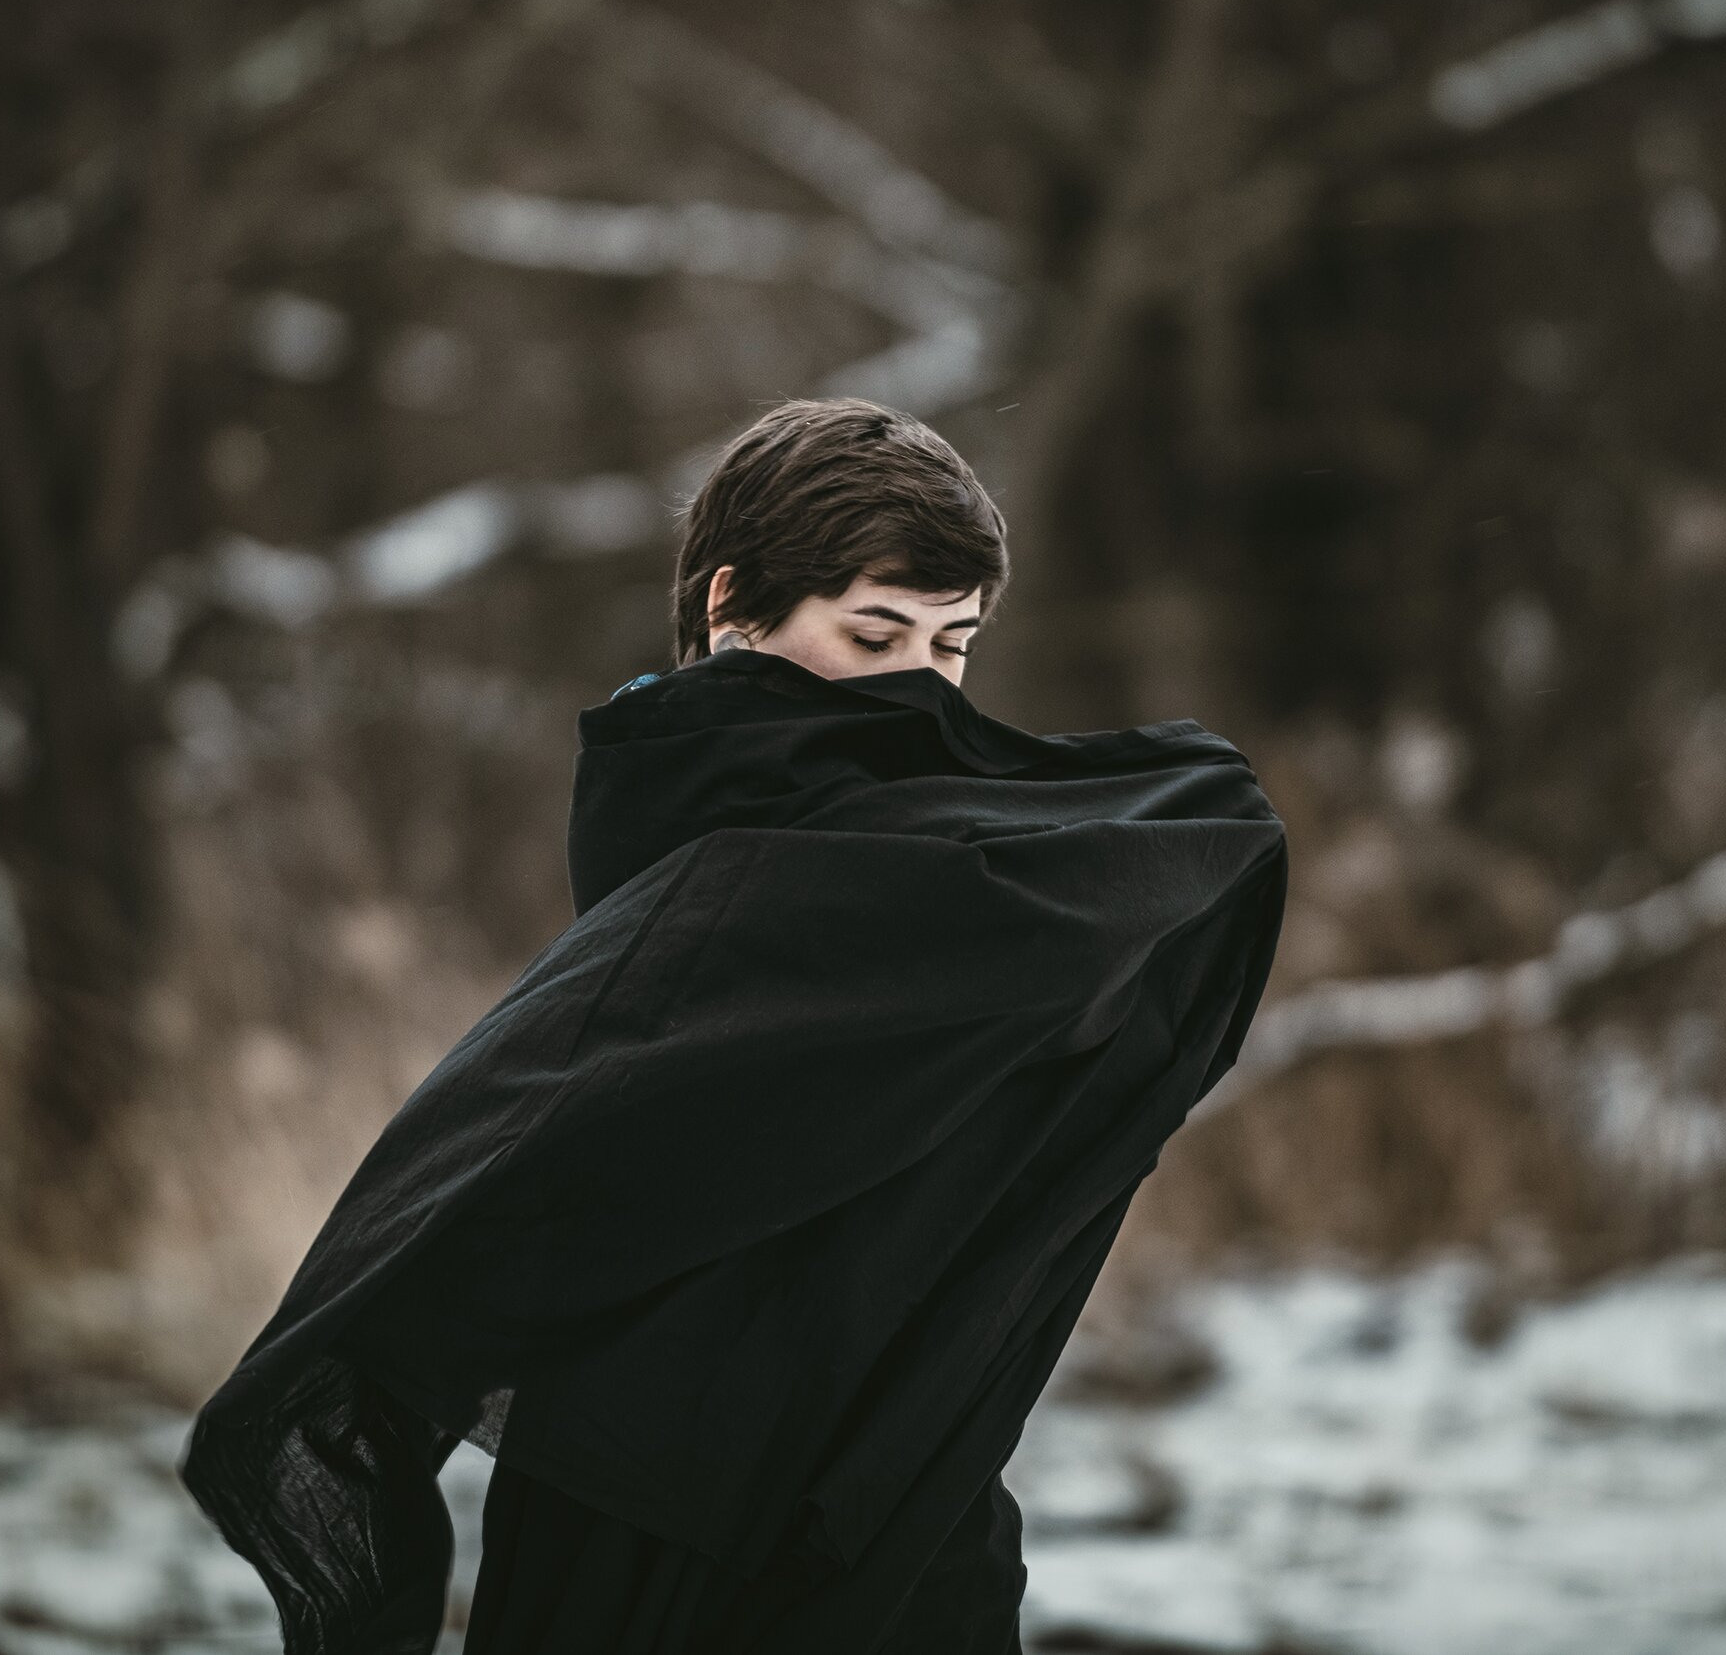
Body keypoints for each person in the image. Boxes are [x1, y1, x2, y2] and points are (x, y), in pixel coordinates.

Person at [177, 397, 1289, 1655]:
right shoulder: (709, 882)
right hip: (646, 1541)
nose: (918, 689)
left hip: (902, 1516)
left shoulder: (952, 882)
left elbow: (1204, 834)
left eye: (953, 643)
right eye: (875, 634)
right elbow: (507, 1186)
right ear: (731, 612)